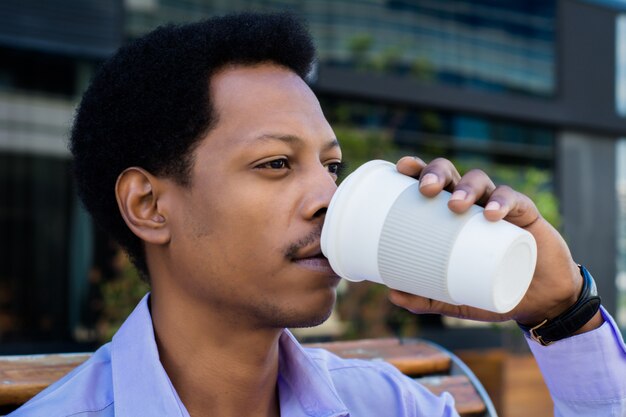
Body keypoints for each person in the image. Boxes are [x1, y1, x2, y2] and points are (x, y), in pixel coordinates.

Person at [10, 12, 625, 417]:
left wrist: (561, 311)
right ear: (149, 205)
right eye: (276, 164)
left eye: (330, 167)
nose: (327, 196)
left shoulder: (388, 404)